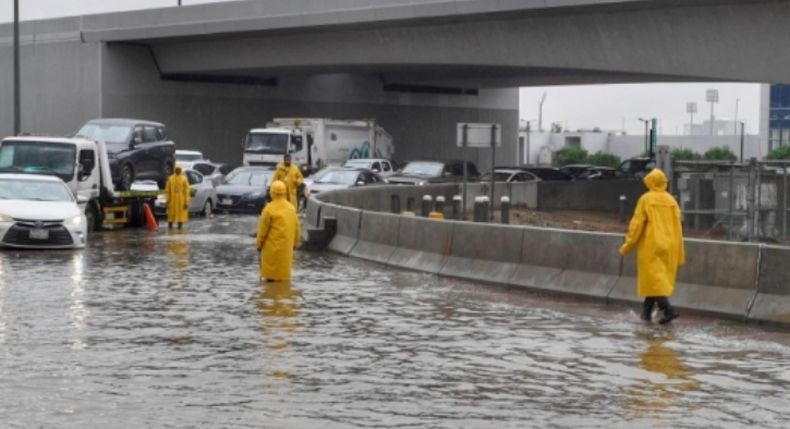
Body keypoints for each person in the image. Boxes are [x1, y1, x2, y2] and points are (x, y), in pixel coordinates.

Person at [619, 168, 685, 324]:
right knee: (655, 280)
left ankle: (668, 310)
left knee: (653, 280)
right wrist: (679, 251)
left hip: (652, 244)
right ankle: (645, 316)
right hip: (670, 244)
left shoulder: (646, 199)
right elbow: (679, 227)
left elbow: (636, 226)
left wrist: (627, 246)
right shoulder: (672, 201)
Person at [256, 180, 301, 281]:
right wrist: (295, 244)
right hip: (286, 251)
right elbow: (297, 229)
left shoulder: (268, 209)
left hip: (271, 251)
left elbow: (262, 231)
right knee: (283, 279)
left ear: (272, 193)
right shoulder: (291, 209)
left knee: (270, 279)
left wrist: (259, 245)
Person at [165, 164, 190, 229]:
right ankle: (170, 228)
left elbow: (186, 192)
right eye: (177, 169)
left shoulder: (184, 179)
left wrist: (186, 202)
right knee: (171, 216)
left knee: (180, 216)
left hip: (181, 200)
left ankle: (180, 228)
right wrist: (167, 200)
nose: (178, 171)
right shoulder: (170, 178)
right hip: (172, 200)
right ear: (175, 170)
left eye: (179, 169)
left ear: (181, 170)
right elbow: (167, 190)